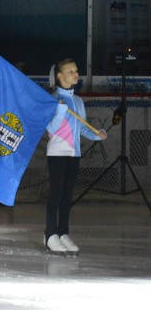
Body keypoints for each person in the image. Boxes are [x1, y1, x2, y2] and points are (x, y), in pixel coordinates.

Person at [43, 58, 106, 253]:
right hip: (57, 153)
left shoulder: (78, 101)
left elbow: (82, 129)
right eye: (70, 71)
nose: (76, 74)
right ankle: (50, 233)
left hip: (74, 154)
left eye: (76, 70)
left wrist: (96, 134)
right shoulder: (53, 100)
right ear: (60, 76)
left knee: (67, 196)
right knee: (56, 195)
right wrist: (60, 110)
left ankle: (63, 232)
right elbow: (51, 129)